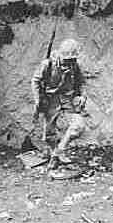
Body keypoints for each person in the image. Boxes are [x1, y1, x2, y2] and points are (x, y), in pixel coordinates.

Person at [31, 38, 88, 167]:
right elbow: (35, 81)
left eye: (73, 60)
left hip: (68, 102)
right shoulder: (48, 64)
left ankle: (59, 151)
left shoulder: (75, 66)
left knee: (78, 126)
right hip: (50, 101)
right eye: (67, 60)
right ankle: (54, 154)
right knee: (49, 135)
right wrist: (37, 99)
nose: (70, 63)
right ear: (61, 56)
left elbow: (82, 82)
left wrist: (82, 96)